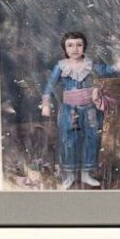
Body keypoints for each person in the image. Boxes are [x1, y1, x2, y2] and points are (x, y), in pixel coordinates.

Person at [39, 30, 114, 188]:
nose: (75, 49)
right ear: (65, 48)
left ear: (84, 47)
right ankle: (70, 175)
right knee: (69, 142)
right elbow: (50, 85)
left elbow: (106, 70)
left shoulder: (90, 64)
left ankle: (86, 174)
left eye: (79, 45)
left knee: (91, 139)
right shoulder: (61, 66)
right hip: (69, 110)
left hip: (90, 110)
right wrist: (46, 103)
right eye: (70, 45)